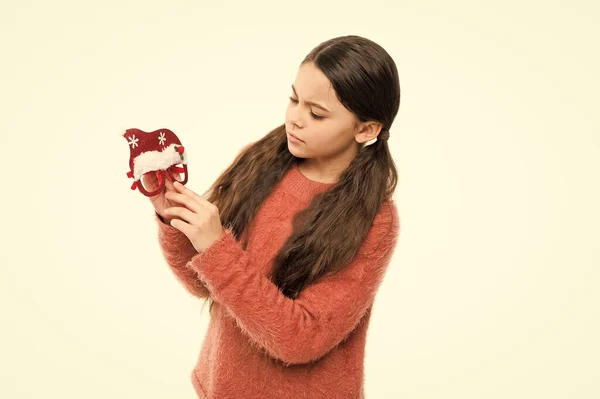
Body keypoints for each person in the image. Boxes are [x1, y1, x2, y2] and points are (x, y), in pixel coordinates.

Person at [144, 34, 401, 399]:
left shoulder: (375, 220)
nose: (295, 119)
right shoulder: (258, 161)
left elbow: (300, 339)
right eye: (294, 99)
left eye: (316, 113)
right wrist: (173, 220)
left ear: (366, 129)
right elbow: (204, 284)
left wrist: (216, 247)